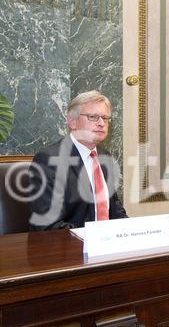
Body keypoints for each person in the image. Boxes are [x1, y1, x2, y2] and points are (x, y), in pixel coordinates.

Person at [29, 91, 128, 230]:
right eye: (93, 117)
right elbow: (49, 224)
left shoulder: (105, 157)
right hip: (66, 247)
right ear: (72, 122)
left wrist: (129, 232)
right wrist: (90, 240)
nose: (101, 123)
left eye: (105, 118)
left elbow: (114, 208)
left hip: (106, 245)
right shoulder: (48, 160)